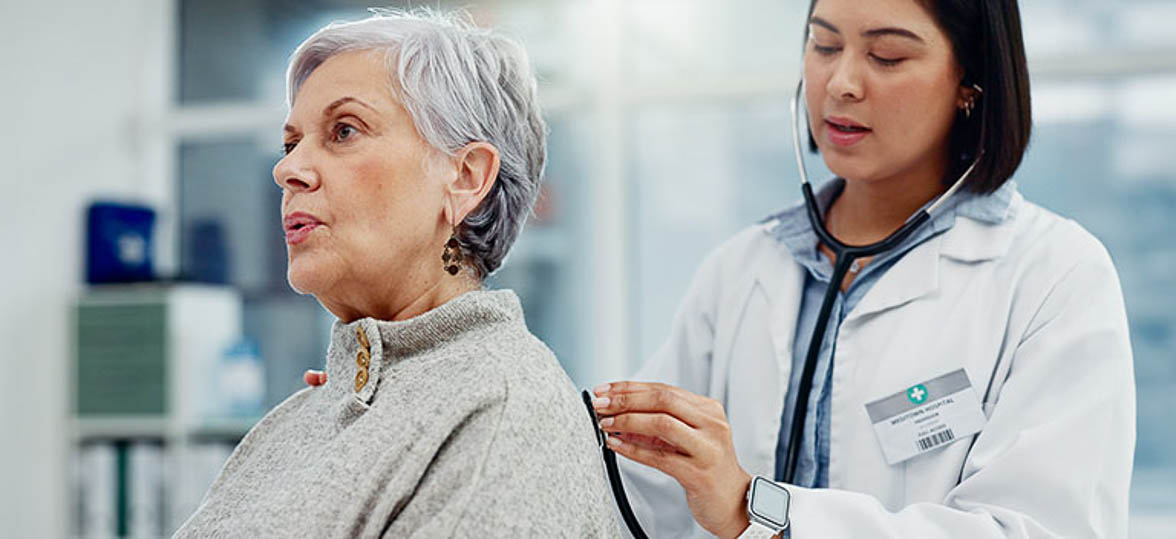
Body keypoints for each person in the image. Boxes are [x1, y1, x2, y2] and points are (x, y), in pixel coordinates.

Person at [589, 0, 1135, 537]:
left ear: (971, 82)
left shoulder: (1053, 277)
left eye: (888, 56)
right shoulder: (743, 269)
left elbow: (1032, 528)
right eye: (824, 45)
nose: (841, 81)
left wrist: (757, 511)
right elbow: (636, 497)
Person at [174, 10, 620, 538]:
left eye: (344, 131)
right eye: (291, 143)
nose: (287, 169)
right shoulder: (295, 422)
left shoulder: (500, 410)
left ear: (465, 177)